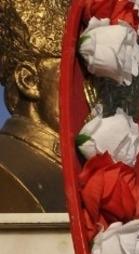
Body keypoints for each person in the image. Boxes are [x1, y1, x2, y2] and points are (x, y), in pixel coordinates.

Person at [0, 0, 68, 212]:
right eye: (74, 74)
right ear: (28, 81)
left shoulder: (95, 173)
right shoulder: (7, 166)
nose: (90, 93)